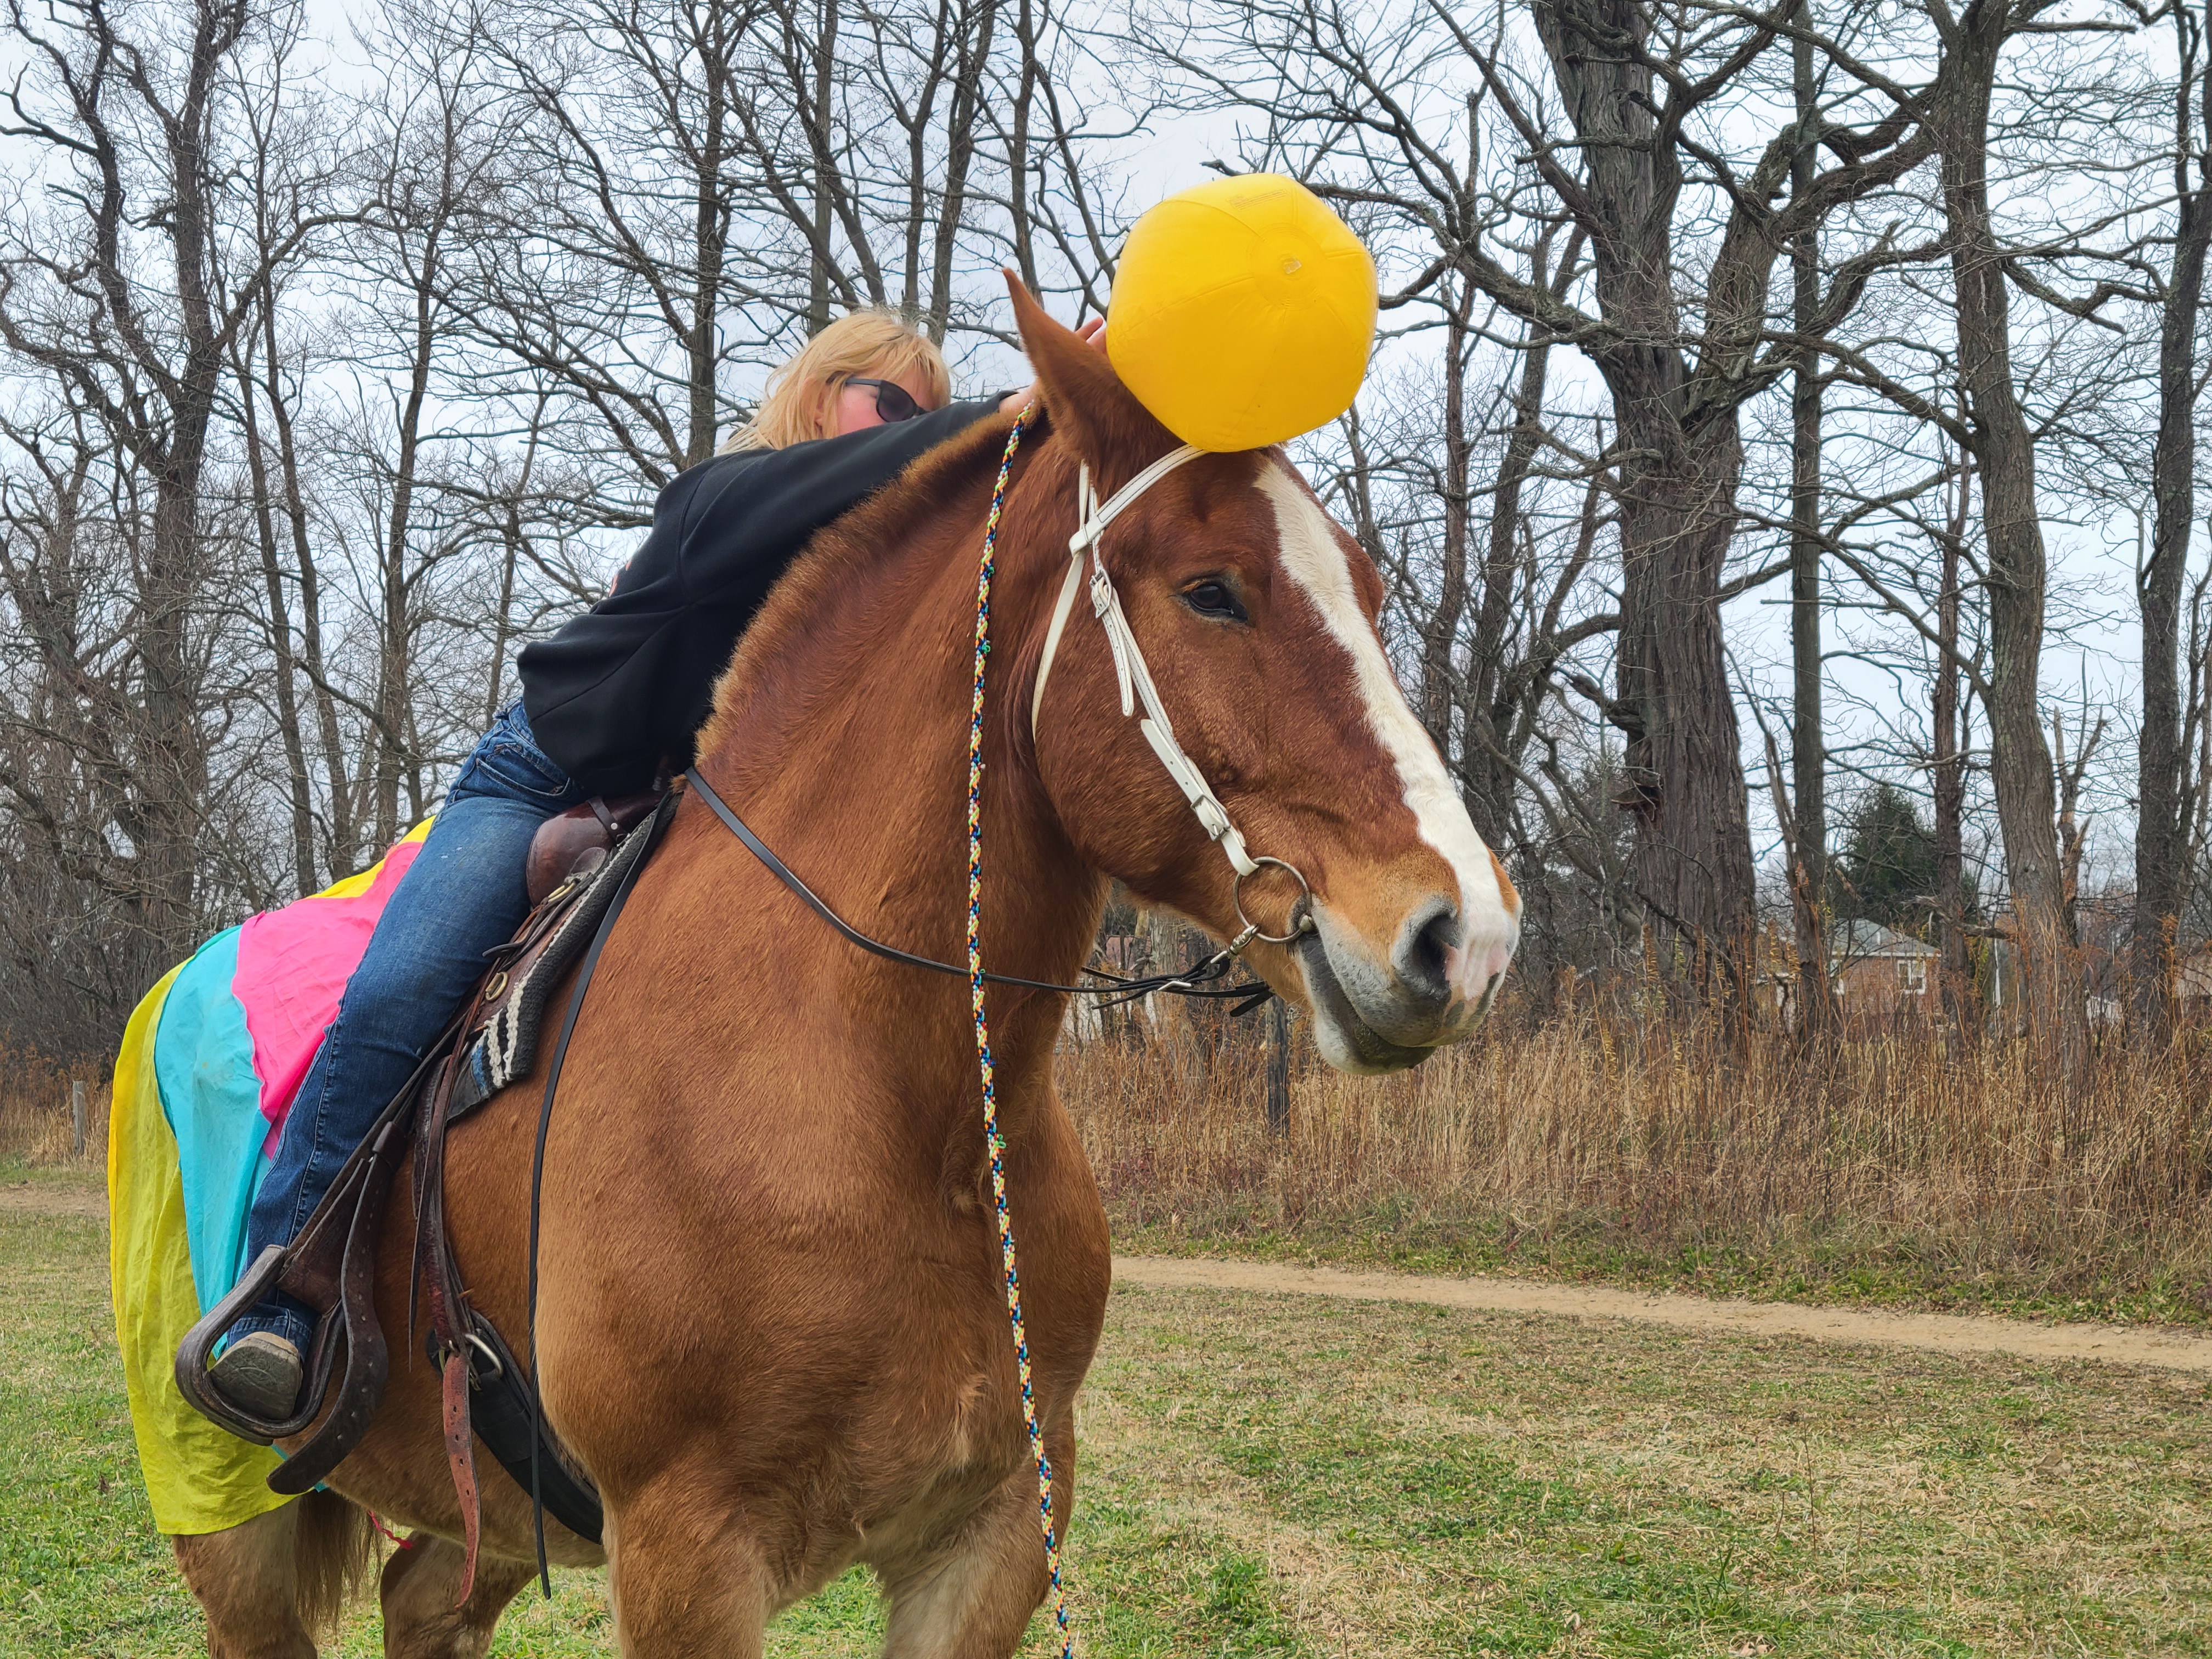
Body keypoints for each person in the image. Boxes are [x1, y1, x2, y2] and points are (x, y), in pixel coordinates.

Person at [209, 309, 1095, 1419]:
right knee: (401, 990)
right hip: (540, 774)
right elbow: (861, 474)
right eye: (893, 403)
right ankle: (282, 1289)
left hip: (688, 803)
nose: (906, 428)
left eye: (924, 411)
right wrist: (1010, 416)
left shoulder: (874, 575)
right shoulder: (725, 501)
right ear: (823, 395)